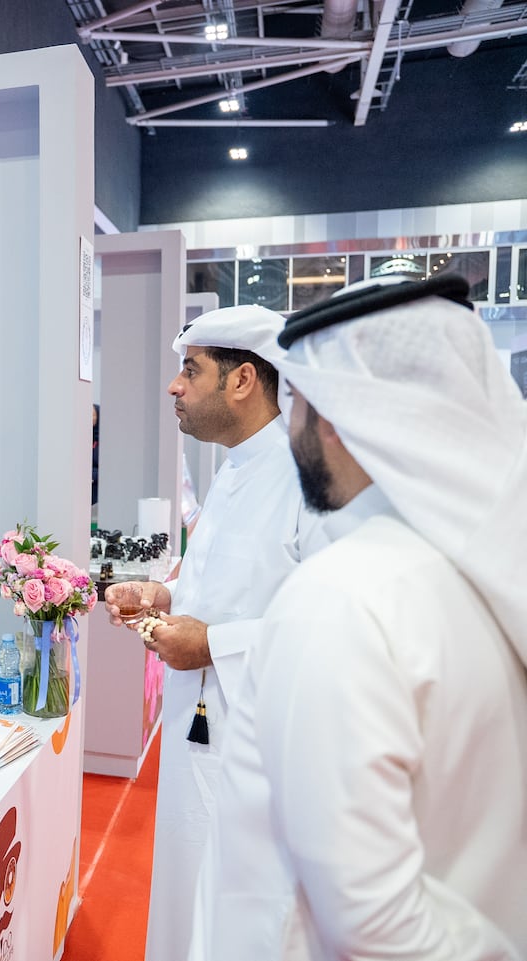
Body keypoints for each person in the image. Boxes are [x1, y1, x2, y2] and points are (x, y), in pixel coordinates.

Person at [191, 275, 527, 959]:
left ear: (338, 418)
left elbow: (373, 928)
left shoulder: (343, 599)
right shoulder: (494, 566)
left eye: (297, 403)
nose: (289, 428)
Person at [104, 304, 323, 961]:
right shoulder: (234, 467)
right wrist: (162, 595)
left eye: (191, 370)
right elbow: (221, 585)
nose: (175, 386)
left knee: (242, 912)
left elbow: (326, 626)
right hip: (196, 726)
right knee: (186, 885)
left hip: (256, 742)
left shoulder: (306, 476)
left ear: (243, 380)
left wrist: (212, 644)